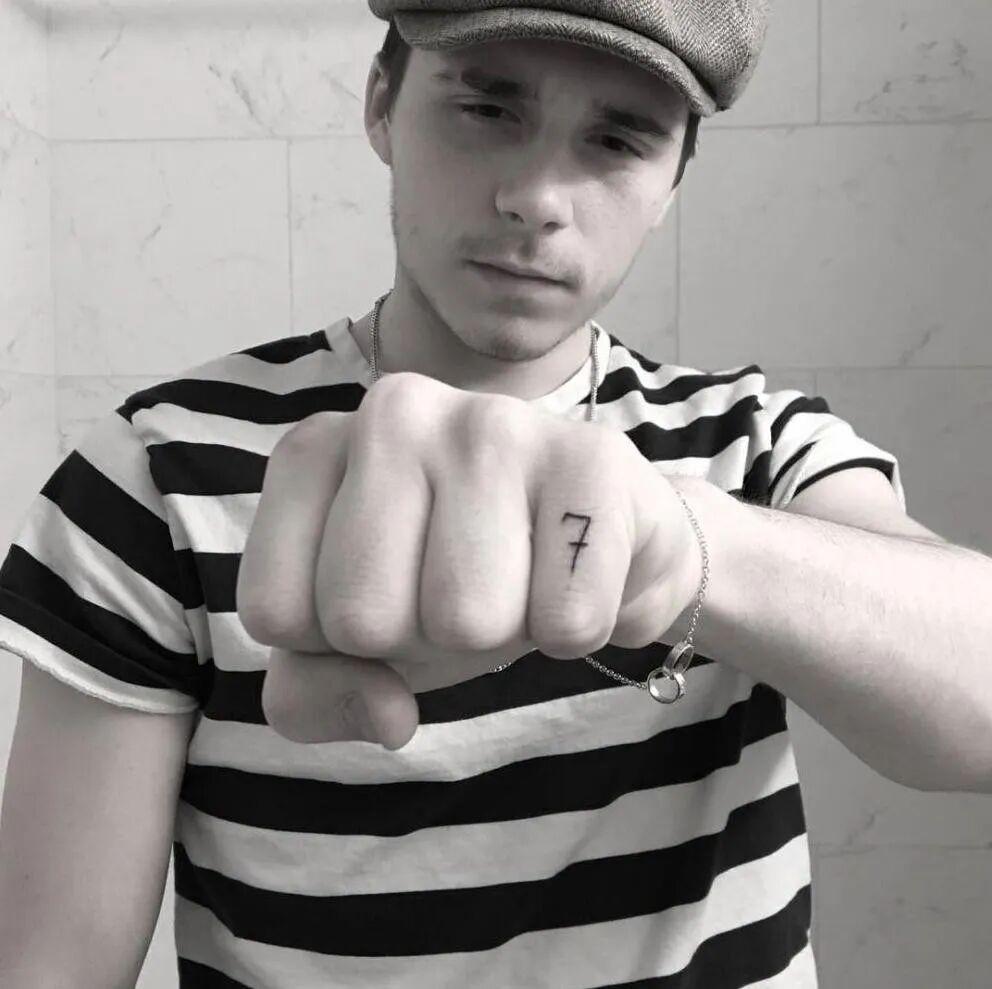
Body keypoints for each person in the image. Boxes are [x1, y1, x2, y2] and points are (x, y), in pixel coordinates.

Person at [5, 2, 978, 987]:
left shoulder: (755, 445)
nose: (536, 198)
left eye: (618, 140)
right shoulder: (154, 470)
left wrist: (680, 553)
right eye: (486, 109)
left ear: (672, 182)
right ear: (380, 105)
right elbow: (53, 965)